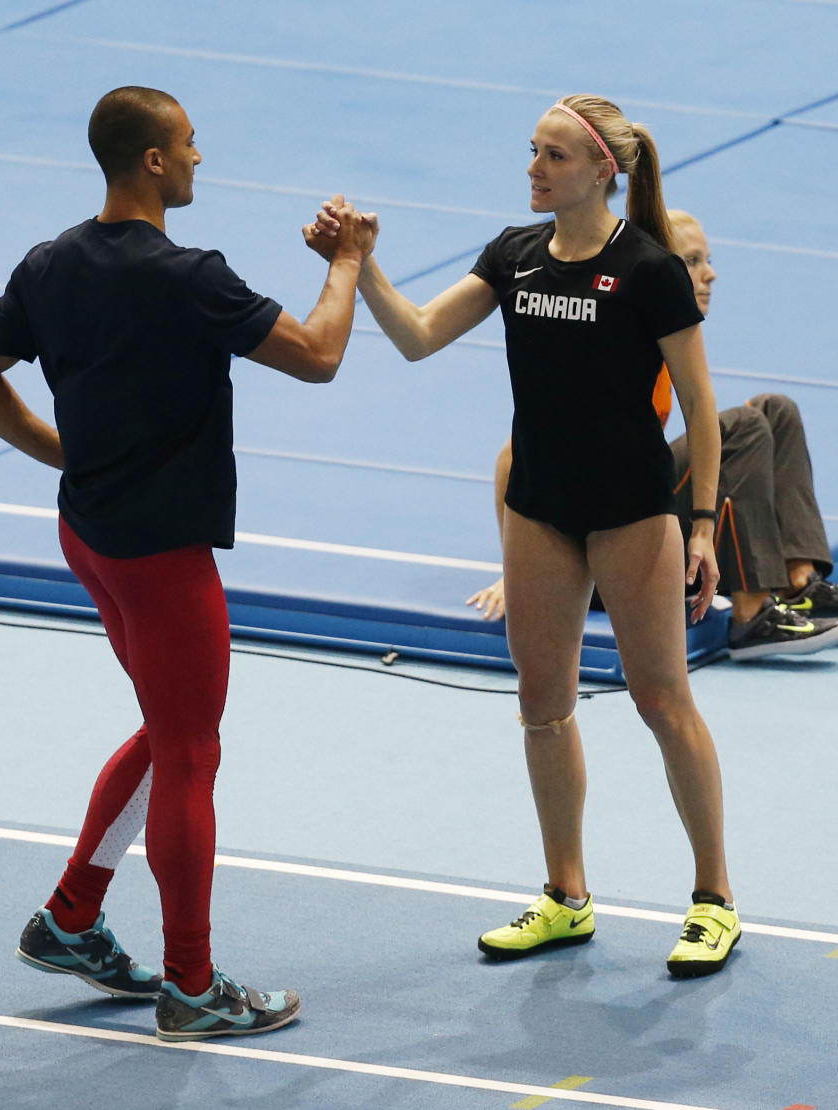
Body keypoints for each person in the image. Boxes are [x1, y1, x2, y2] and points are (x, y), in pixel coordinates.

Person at [0, 86, 375, 1039]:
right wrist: (347, 262)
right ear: (150, 161)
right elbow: (319, 355)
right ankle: (190, 987)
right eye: (187, 143)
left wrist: (62, 452)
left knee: (167, 725)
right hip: (160, 555)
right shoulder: (188, 275)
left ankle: (70, 919)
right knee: (190, 751)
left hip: (89, 537)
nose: (197, 157)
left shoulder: (49, 263)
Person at [311, 95, 740, 977]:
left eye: (552, 157)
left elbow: (701, 412)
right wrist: (363, 264)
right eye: (533, 153)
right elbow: (421, 337)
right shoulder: (513, 257)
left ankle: (714, 900)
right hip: (540, 508)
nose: (535, 169)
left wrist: (699, 526)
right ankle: (565, 898)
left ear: (600, 173)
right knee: (543, 709)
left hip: (632, 511)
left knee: (662, 701)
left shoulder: (649, 269)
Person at [468, 209, 838, 661]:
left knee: (775, 411)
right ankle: (752, 615)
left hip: (636, 510)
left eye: (708, 260)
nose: (711, 274)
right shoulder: (613, 337)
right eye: (694, 261)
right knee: (744, 428)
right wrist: (519, 570)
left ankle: (801, 583)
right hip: (602, 552)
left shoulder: (661, 334)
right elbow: (514, 455)